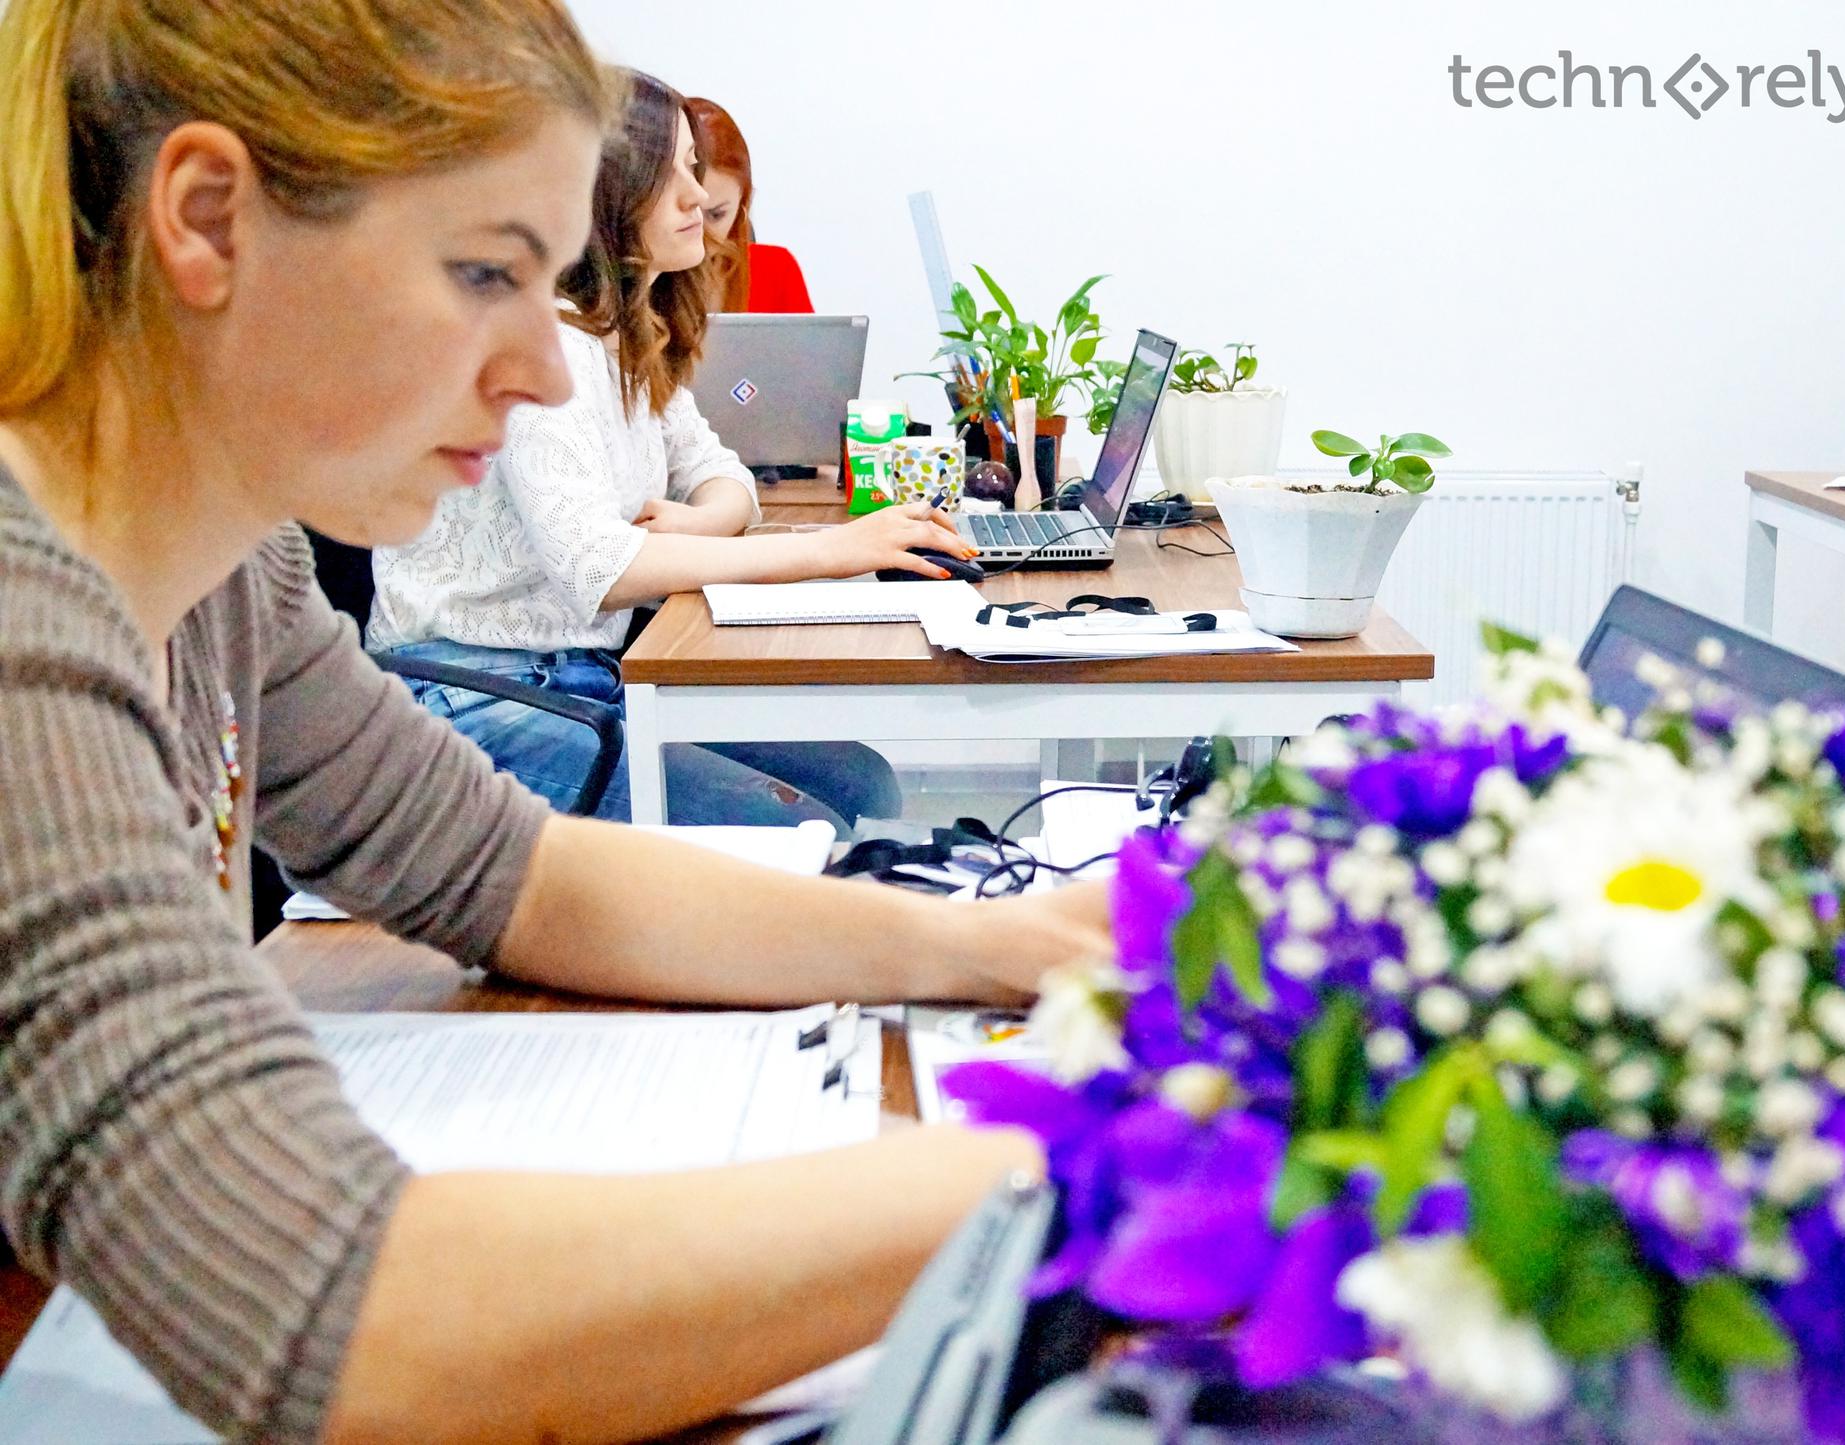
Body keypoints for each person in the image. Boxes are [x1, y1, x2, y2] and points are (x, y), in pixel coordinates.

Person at [0, 5, 1104, 1443]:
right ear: (209, 221)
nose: (541, 368)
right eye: (485, 272)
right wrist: (1095, 1162)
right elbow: (354, 1321)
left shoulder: (231, 568)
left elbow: (513, 874)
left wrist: (997, 943)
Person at [370, 72, 972, 829]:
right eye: (672, 174)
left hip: (584, 678)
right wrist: (834, 549)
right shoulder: (546, 338)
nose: (697, 196)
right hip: (471, 696)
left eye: (694, 168)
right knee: (800, 826)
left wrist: (702, 519)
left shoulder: (629, 334)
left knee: (862, 785)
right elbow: (602, 568)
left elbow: (723, 474)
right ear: (604, 190)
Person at [685, 96, 813, 314]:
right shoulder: (638, 282)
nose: (701, 234)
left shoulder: (777, 271)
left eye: (716, 215)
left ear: (744, 202)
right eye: (687, 210)